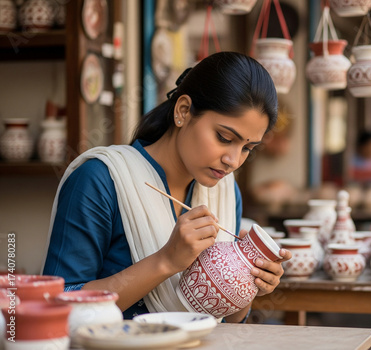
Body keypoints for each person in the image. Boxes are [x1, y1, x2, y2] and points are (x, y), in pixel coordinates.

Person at [41, 52, 292, 322]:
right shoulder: (101, 180)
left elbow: (228, 324)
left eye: (247, 148)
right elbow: (58, 306)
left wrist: (248, 285)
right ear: (183, 111)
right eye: (224, 137)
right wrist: (166, 261)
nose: (233, 160)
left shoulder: (226, 192)